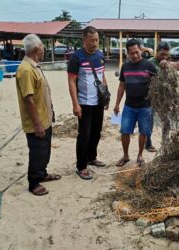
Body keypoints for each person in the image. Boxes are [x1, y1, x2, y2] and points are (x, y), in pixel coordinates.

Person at [16, 34, 61, 196]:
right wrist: (37, 124)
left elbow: (42, 93)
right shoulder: (26, 69)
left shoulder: (35, 66)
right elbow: (28, 99)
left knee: (45, 150)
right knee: (37, 152)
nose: (44, 51)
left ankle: (42, 173)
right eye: (43, 48)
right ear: (36, 49)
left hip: (45, 118)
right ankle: (33, 182)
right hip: (37, 122)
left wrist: (51, 111)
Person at [67, 26, 108, 180]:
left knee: (96, 132)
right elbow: (71, 82)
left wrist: (106, 96)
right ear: (84, 40)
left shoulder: (99, 54)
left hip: (98, 102)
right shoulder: (76, 57)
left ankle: (92, 157)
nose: (95, 43)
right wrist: (75, 104)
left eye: (97, 40)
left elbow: (102, 76)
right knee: (84, 134)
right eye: (91, 41)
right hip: (84, 102)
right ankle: (81, 166)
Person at [114, 39, 157, 167]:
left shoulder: (149, 66)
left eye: (137, 52)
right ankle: (126, 155)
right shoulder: (125, 66)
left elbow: (158, 84)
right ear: (127, 53)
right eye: (131, 53)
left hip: (145, 107)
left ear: (141, 50)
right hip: (129, 106)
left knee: (143, 132)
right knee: (125, 131)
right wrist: (117, 104)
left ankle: (140, 155)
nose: (135, 55)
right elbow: (122, 85)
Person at [147, 41, 171, 145]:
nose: (164, 56)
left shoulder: (167, 63)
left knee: (166, 121)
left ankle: (165, 143)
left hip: (163, 97)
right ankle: (147, 143)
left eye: (166, 54)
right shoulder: (149, 63)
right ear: (156, 52)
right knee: (149, 122)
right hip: (151, 97)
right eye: (162, 54)